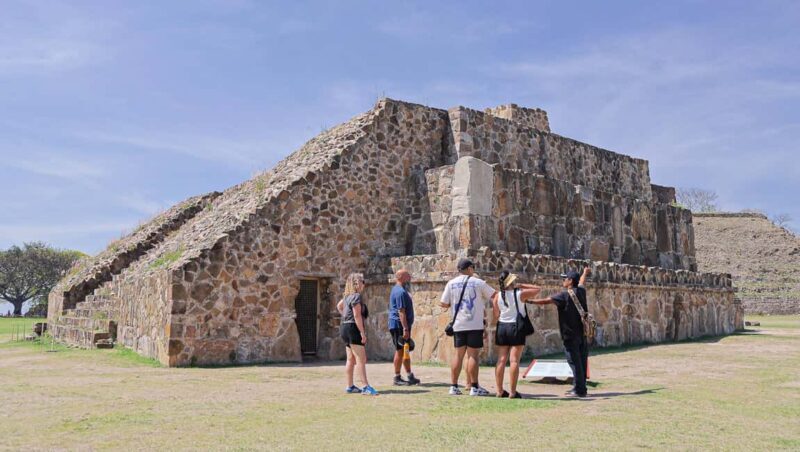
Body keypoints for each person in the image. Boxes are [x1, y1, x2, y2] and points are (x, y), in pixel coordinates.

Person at [529, 267, 592, 397]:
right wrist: (585, 273)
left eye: (565, 279)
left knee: (574, 362)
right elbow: (582, 282)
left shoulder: (564, 295)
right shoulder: (580, 292)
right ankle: (581, 387)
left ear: (570, 281)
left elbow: (546, 301)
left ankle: (579, 390)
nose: (563, 281)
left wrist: (528, 300)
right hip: (582, 333)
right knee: (581, 360)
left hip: (569, 334)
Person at [439, 258, 496, 396]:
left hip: (458, 324)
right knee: (473, 356)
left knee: (458, 355)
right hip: (474, 324)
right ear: (470, 268)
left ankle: (453, 386)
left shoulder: (451, 283)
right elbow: (494, 295)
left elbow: (443, 303)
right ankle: (474, 387)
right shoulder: (478, 282)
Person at [492, 271, 541, 399]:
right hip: (516, 327)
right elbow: (537, 289)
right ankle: (513, 392)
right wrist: (521, 285)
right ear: (511, 282)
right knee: (514, 360)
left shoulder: (497, 296)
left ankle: (499, 390)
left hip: (502, 327)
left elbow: (496, 315)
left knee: (501, 360)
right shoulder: (519, 294)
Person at [337, 273, 378, 396]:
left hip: (344, 326)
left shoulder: (347, 297)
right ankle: (365, 386)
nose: (363, 284)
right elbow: (357, 315)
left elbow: (339, 306)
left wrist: (345, 316)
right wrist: (362, 333)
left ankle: (350, 386)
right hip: (352, 328)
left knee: (351, 359)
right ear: (356, 283)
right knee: (361, 358)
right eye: (362, 281)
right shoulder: (356, 297)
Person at [388, 269, 421, 386]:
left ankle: (409, 375)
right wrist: (405, 329)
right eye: (407, 275)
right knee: (400, 350)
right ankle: (397, 377)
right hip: (398, 325)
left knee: (405, 350)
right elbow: (401, 312)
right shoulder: (400, 292)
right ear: (401, 277)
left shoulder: (400, 290)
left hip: (401, 325)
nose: (410, 276)